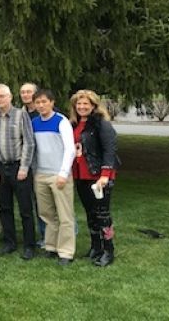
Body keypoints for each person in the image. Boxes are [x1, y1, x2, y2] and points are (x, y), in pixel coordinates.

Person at [69, 90, 119, 267]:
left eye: (86, 104)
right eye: (79, 104)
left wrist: (105, 175)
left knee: (103, 215)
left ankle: (108, 250)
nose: (82, 107)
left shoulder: (101, 125)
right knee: (90, 213)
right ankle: (95, 247)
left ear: (93, 106)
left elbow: (109, 150)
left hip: (98, 176)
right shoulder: (73, 124)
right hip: (81, 175)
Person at [0, 84, 36, 260]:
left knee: (25, 208)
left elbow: (29, 143)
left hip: (19, 167)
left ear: (10, 97)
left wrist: (24, 167)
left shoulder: (21, 115)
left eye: (2, 96)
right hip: (1, 167)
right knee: (5, 207)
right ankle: (9, 242)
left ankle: (29, 245)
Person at [31, 89, 76, 266]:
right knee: (47, 215)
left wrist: (63, 173)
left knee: (65, 215)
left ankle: (66, 251)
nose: (41, 105)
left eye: (44, 102)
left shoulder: (61, 121)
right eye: (38, 102)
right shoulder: (34, 122)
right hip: (41, 174)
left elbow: (70, 149)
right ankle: (51, 246)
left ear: (51, 102)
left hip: (58, 175)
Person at [20, 82, 45, 247]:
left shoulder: (42, 113)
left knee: (44, 203)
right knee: (33, 201)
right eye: (22, 92)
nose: (25, 95)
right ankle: (43, 236)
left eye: (29, 92)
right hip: (27, 163)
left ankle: (51, 235)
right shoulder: (21, 114)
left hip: (43, 163)